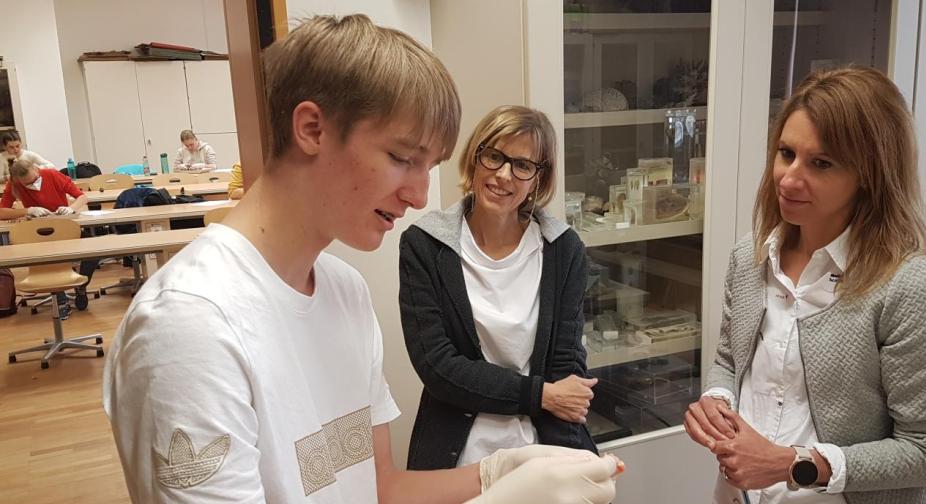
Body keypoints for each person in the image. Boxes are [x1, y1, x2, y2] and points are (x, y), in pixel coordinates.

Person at [103, 15, 618, 504]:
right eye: (401, 159)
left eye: (430, 166)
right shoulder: (191, 325)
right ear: (312, 129)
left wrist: (494, 473)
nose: (419, 196)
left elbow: (380, 490)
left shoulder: (344, 290)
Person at [684, 66, 926, 504]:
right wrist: (717, 399)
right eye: (786, 153)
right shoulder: (751, 256)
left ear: (871, 173)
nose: (789, 178)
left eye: (821, 163)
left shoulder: (909, 287)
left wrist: (790, 463)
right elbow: (729, 356)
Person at [400, 105, 598, 470]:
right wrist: (541, 395)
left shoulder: (563, 250)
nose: (503, 175)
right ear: (475, 158)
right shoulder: (425, 246)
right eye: (494, 157)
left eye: (522, 165)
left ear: (539, 178)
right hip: (457, 455)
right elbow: (438, 366)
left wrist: (557, 402)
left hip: (542, 448)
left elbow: (566, 364)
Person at [1, 159, 96, 314]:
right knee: (52, 257)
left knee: (94, 251)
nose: (33, 184)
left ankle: (80, 287)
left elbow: (82, 197)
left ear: (36, 170)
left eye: (35, 180)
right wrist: (27, 211)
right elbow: (2, 212)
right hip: (38, 233)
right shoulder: (14, 184)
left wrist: (71, 208)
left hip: (64, 228)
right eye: (28, 184)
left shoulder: (52, 175)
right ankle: (60, 300)